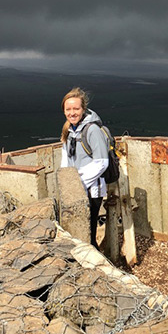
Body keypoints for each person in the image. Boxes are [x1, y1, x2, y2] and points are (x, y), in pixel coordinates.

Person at [60, 87, 109, 249]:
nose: (72, 112)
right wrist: (67, 182)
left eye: (76, 108)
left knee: (89, 229)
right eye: (68, 109)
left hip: (92, 188)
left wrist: (79, 183)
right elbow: (66, 157)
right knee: (77, 228)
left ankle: (94, 264)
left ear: (83, 109)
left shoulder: (92, 130)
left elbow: (102, 162)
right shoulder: (69, 130)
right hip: (75, 189)